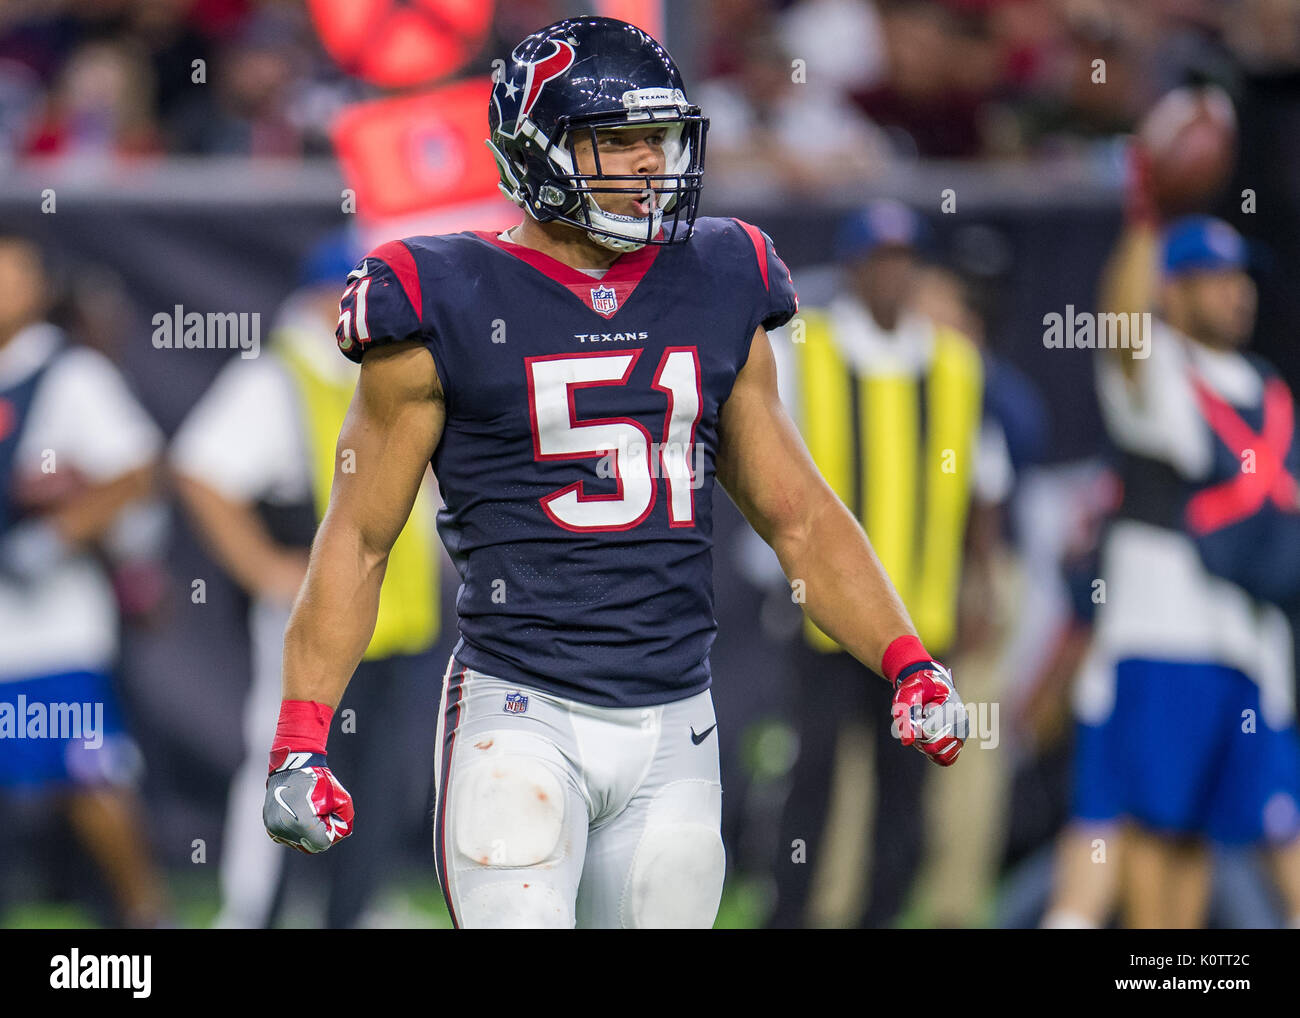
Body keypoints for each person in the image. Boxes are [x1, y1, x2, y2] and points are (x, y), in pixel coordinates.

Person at [261, 15, 967, 930]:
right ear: (537, 149)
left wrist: (906, 658)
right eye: (618, 142)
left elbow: (797, 515)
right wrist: (299, 742)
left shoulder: (723, 273)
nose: (648, 166)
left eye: (660, 139)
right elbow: (358, 539)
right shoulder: (438, 294)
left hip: (678, 718)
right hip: (519, 709)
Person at [169, 234, 443, 928]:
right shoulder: (281, 373)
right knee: (289, 760)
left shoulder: (383, 366)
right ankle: (256, 913)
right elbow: (201, 467)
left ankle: (349, 908)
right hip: (315, 613)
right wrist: (263, 566)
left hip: (396, 614)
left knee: (377, 777)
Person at [1044, 210, 1300, 929]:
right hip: (1162, 639)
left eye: (1239, 277)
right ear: (1172, 291)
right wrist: (1144, 220)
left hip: (1250, 646)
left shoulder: (1267, 385)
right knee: (1148, 832)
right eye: (1212, 279)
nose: (1236, 292)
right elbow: (1120, 325)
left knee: (1199, 842)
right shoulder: (1156, 367)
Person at [767, 203, 1010, 927]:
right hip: (827, 617)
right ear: (851, 270)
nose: (892, 276)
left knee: (904, 786)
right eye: (878, 261)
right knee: (811, 775)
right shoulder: (805, 350)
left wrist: (983, 581)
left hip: (920, 619)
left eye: (905, 261)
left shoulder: (955, 363)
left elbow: (985, 482)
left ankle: (882, 916)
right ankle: (792, 912)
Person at [0, 232, 169, 927]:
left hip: (52, 629)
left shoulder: (69, 375)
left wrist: (58, 531)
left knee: (87, 775)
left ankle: (144, 918)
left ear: (38, 285)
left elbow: (137, 470)